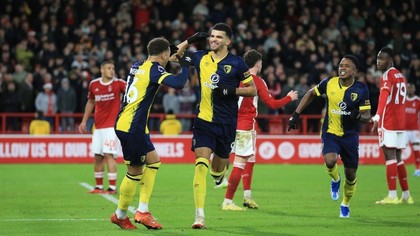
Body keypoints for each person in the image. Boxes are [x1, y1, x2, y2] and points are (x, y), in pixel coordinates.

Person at [176, 23, 257, 229]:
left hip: (227, 125)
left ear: (228, 41)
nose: (213, 39)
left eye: (218, 37)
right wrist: (190, 40)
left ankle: (219, 174)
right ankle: (199, 217)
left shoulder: (237, 64)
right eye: (212, 36)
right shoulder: (200, 57)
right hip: (203, 121)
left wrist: (231, 92)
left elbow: (252, 90)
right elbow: (171, 56)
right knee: (200, 165)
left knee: (217, 168)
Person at [110, 37, 193, 230]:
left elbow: (168, 51)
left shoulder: (138, 65)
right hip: (133, 127)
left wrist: (188, 41)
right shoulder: (155, 70)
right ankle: (122, 215)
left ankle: (141, 210)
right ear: (164, 55)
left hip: (130, 124)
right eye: (168, 55)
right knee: (135, 172)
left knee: (154, 160)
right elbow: (179, 83)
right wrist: (186, 65)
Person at [288, 55, 371, 218]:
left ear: (354, 71)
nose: (342, 68)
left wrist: (358, 116)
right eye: (341, 65)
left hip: (350, 136)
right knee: (330, 159)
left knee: (351, 175)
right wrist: (296, 114)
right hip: (330, 132)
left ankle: (345, 204)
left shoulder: (361, 89)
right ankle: (335, 180)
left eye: (347, 66)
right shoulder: (329, 83)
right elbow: (311, 94)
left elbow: (367, 116)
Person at [221, 49, 298, 211]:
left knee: (250, 159)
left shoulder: (234, 78)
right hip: (244, 125)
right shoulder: (256, 80)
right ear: (258, 64)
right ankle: (228, 201)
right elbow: (272, 104)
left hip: (233, 124)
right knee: (240, 162)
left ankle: (247, 197)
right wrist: (289, 98)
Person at [371, 47, 414, 204]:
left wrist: (377, 115)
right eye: (378, 58)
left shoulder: (387, 75)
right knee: (398, 157)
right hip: (400, 122)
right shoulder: (400, 75)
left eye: (382, 58)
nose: (378, 61)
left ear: (390, 60)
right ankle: (406, 194)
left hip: (388, 121)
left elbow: (384, 96)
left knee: (389, 156)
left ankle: (391, 195)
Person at [79, 61, 126, 195]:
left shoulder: (119, 83)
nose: (112, 70)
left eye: (113, 68)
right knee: (98, 156)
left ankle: (112, 187)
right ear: (102, 70)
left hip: (112, 126)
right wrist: (84, 121)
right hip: (98, 126)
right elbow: (91, 102)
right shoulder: (94, 84)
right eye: (109, 68)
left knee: (109, 155)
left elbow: (132, 92)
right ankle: (98, 186)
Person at [404, 83, 420, 176]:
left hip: (414, 130)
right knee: (400, 149)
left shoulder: (418, 101)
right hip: (404, 130)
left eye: (411, 88)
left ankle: (418, 169)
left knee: (416, 149)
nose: (409, 89)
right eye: (408, 88)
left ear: (414, 89)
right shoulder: (403, 100)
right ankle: (400, 169)